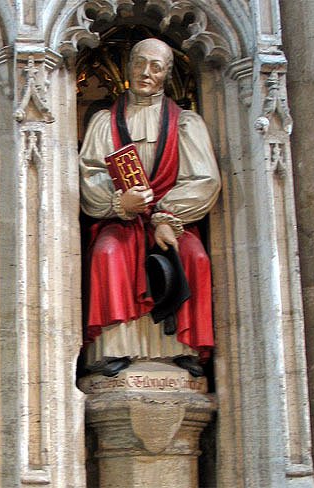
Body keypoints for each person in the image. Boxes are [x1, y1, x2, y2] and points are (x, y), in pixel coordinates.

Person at [79, 38, 221, 377]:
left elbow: (205, 179)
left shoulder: (186, 123)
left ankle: (183, 349)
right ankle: (115, 349)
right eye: (139, 63)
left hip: (172, 221)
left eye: (155, 67)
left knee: (196, 258)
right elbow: (88, 175)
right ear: (129, 67)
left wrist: (167, 217)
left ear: (167, 74)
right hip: (122, 219)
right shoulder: (104, 121)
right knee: (107, 253)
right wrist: (119, 202)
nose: (145, 72)